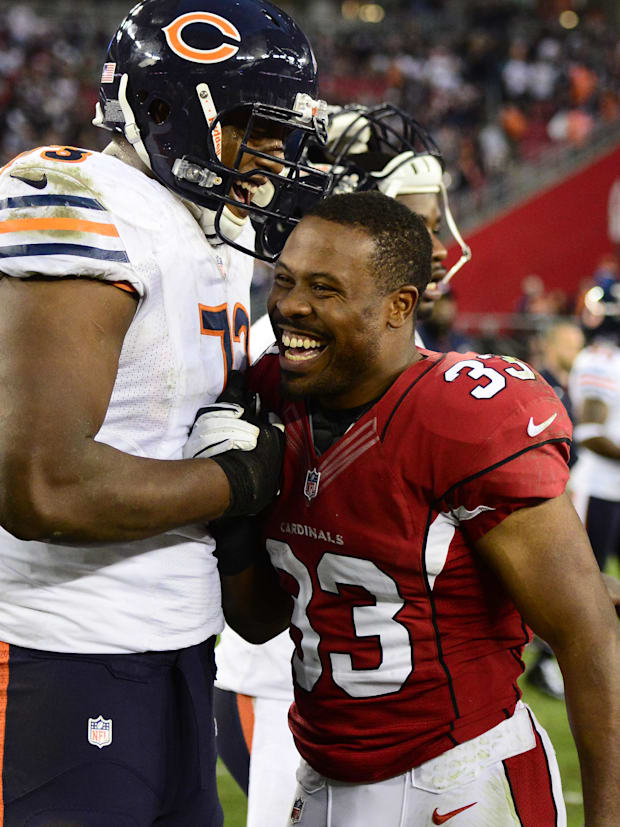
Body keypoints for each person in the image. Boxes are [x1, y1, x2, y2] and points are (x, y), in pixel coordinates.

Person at [0, 0, 328, 823]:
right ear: (164, 110)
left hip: (179, 645)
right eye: (256, 123)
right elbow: (43, 486)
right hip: (61, 648)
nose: (277, 152)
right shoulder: (82, 201)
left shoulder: (205, 228)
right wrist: (238, 479)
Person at [215, 190, 620, 826]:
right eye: (286, 280)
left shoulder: (464, 416)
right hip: (321, 772)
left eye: (324, 288)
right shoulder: (271, 395)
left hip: (459, 775)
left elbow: (588, 635)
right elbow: (260, 619)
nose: (291, 305)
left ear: (399, 306)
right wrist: (233, 520)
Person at [213, 103, 472, 827]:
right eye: (419, 220)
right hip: (285, 680)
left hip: (386, 700)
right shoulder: (287, 351)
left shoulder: (411, 365)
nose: (443, 242)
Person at [525, 319, 585, 700]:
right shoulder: (537, 385)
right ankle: (545, 665)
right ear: (550, 345)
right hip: (541, 500)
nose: (577, 351)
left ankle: (545, 663)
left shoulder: (562, 385)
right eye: (570, 343)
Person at [569, 285, 620, 572]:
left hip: (614, 487)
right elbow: (590, 433)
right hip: (599, 487)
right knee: (591, 580)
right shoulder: (601, 360)